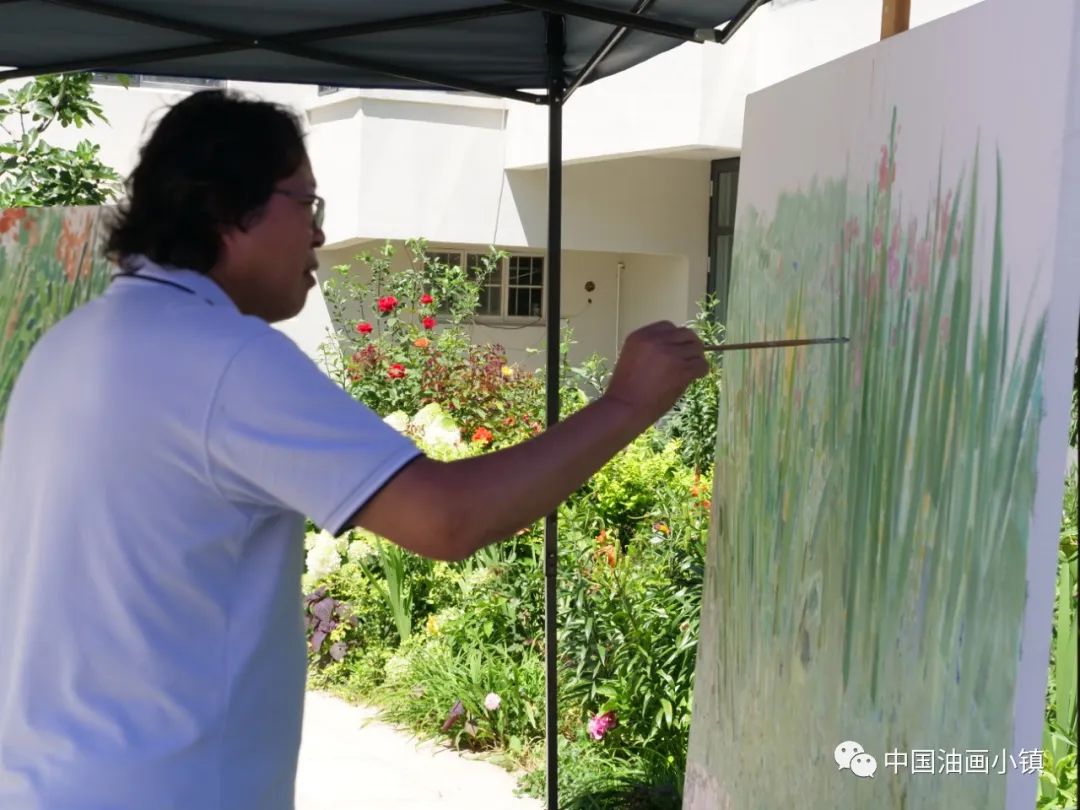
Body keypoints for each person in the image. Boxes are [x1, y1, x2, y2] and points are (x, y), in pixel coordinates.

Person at [0, 90, 707, 809]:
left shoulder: (68, 346)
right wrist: (626, 404)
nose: (317, 236)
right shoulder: (224, 358)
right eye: (307, 205)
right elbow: (448, 519)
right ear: (225, 210)